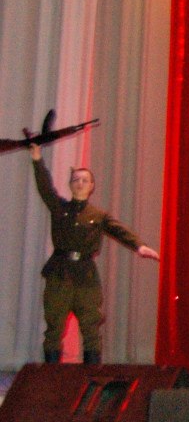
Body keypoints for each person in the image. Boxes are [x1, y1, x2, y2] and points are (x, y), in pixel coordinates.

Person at [28, 143, 159, 364]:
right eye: (76, 180)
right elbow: (45, 188)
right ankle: (51, 378)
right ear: (70, 185)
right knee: (54, 327)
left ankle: (91, 378)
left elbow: (118, 230)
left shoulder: (98, 215)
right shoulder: (59, 207)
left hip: (86, 276)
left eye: (84, 180)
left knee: (91, 327)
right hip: (59, 273)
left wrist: (139, 246)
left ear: (92, 186)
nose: (80, 183)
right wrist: (37, 160)